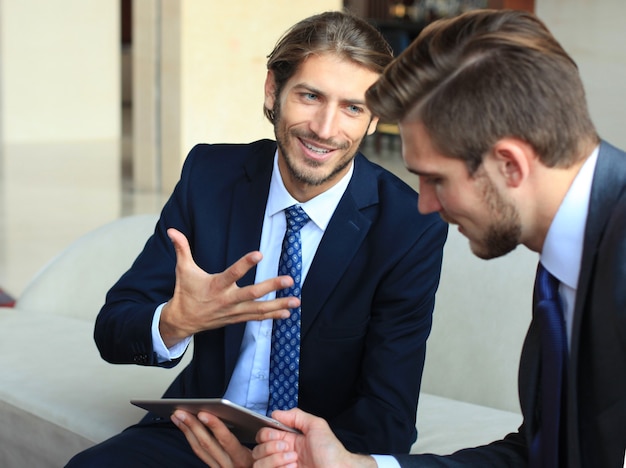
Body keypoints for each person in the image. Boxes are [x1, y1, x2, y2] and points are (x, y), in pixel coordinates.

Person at [66, 10, 448, 468]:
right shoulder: (209, 176)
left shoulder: (409, 225)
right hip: (200, 434)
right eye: (310, 96)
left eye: (352, 107)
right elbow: (113, 328)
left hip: (316, 455)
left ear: (373, 118)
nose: (326, 129)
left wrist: (287, 460)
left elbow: (389, 416)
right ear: (274, 91)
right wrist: (176, 320)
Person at [250, 8, 626, 468]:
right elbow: (542, 454)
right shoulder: (571, 253)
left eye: (435, 179)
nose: (425, 205)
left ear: (510, 164)